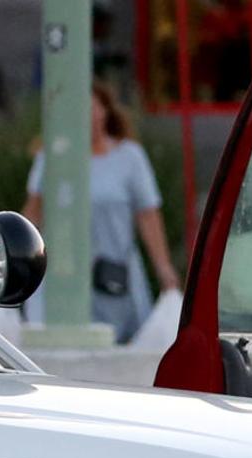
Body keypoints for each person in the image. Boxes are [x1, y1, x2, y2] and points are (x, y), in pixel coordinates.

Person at [23, 81, 179, 344]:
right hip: (62, 277)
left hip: (113, 276)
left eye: (91, 107)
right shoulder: (52, 156)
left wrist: (163, 268)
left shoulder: (129, 157)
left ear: (104, 111)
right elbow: (34, 213)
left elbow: (148, 215)